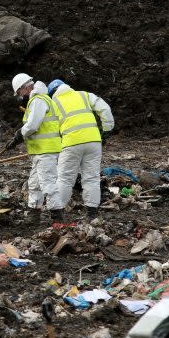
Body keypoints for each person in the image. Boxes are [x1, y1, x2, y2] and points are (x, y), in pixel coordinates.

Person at [47, 79, 114, 219]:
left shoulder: (53, 104)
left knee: (65, 179)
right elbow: (105, 108)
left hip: (71, 143)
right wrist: (107, 130)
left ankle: (58, 213)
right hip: (94, 142)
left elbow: (49, 128)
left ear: (52, 93)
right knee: (92, 177)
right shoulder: (84, 95)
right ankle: (92, 213)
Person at [8, 73, 63, 224]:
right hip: (39, 151)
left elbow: (33, 125)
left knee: (48, 184)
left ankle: (57, 218)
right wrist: (20, 134)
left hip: (46, 150)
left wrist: (20, 134)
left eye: (19, 93)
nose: (20, 96)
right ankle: (34, 213)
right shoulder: (37, 99)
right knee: (34, 183)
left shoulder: (38, 100)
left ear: (25, 88)